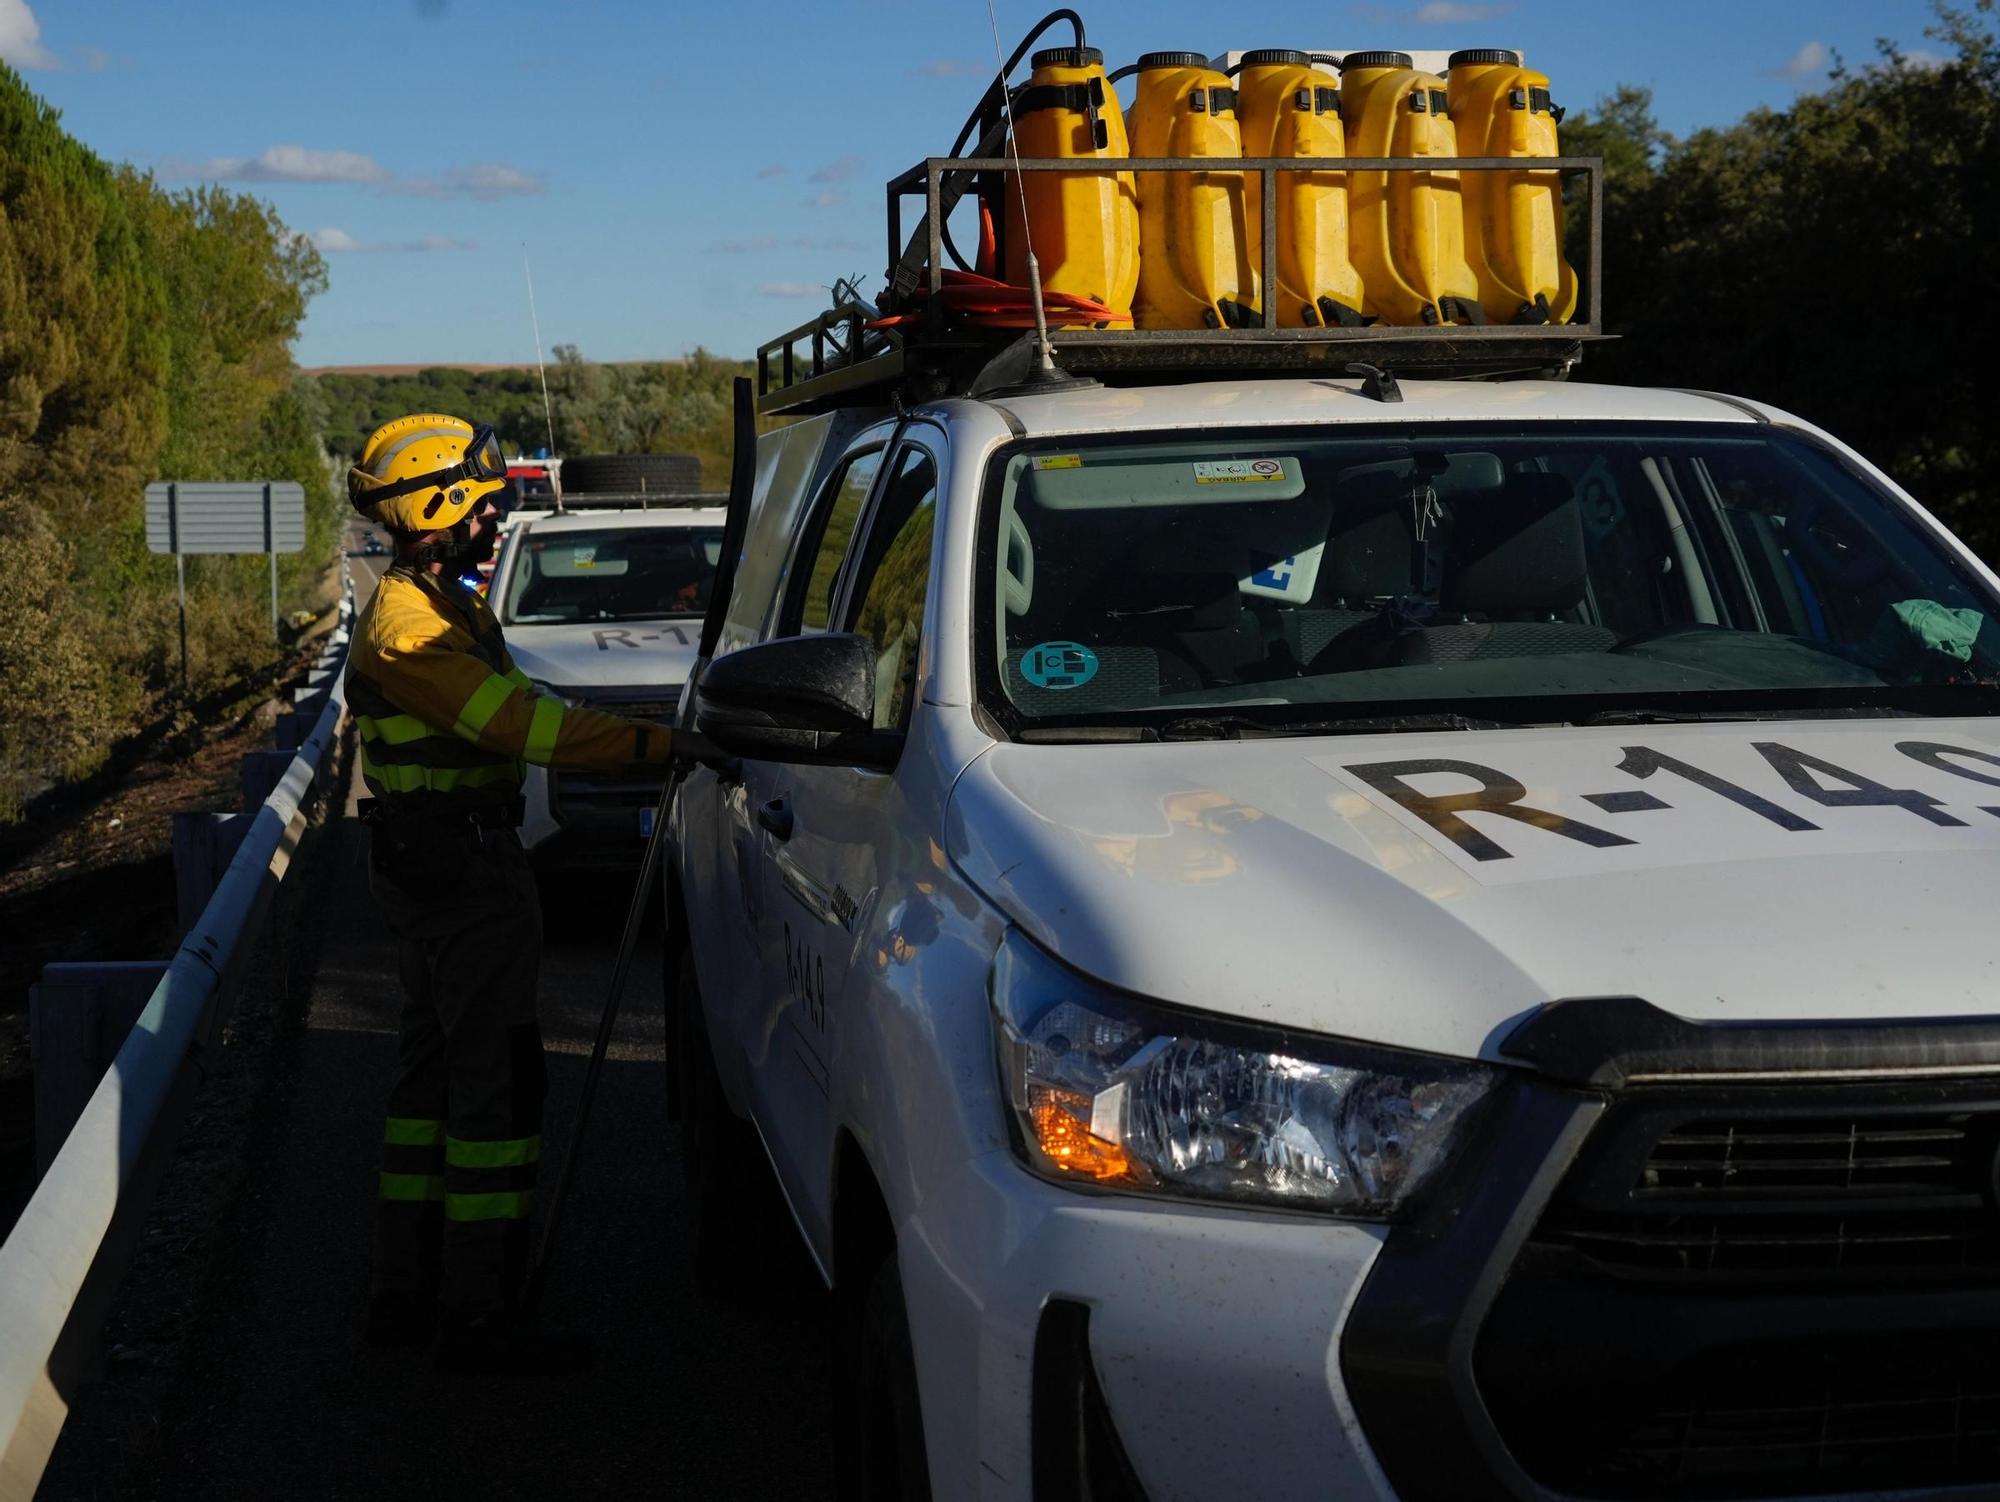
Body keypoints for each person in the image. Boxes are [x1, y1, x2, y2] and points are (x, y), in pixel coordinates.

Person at [343, 413, 711, 1373]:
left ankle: (402, 1290)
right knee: (496, 1094)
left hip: (440, 868)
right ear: (440, 508)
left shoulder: (437, 604)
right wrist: (658, 743)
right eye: (481, 498)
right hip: (461, 880)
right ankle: (480, 1313)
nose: (495, 513)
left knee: (429, 1085)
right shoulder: (411, 633)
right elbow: (520, 725)